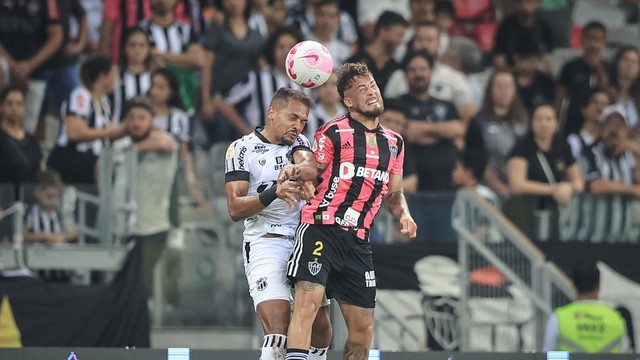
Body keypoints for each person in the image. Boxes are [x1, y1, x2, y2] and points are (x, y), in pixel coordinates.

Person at [285, 63, 417, 360]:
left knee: (363, 330)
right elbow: (315, 168)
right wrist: (298, 170)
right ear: (348, 101)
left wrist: (404, 214)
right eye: (362, 89)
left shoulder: (394, 143)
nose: (371, 92)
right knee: (308, 304)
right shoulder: (332, 132)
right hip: (322, 229)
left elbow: (394, 194)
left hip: (359, 241)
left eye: (372, 86)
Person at [224, 88, 332, 360]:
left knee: (321, 332)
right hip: (266, 242)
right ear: (271, 112)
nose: (297, 126)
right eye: (293, 118)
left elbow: (310, 167)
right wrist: (274, 190)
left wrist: (305, 178)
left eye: (303, 121)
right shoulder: (241, 148)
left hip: (305, 242)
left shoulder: (300, 144)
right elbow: (235, 208)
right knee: (278, 333)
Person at [113, 96, 178, 294]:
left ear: (152, 120)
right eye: (131, 117)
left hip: (153, 224)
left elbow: (164, 145)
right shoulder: (119, 146)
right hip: (121, 226)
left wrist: (132, 148)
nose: (135, 122)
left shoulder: (165, 140)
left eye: (142, 117)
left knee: (144, 280)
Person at [48, 56, 126, 185]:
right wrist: (107, 132)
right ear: (102, 77)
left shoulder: (105, 102)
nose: (117, 79)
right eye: (114, 74)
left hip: (95, 161)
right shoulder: (81, 95)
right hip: (73, 159)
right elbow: (74, 133)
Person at [0, 0, 63, 136]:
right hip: (5, 64)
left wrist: (30, 65)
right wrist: (11, 65)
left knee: (27, 128)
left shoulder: (48, 2)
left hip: (34, 69)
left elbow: (56, 36)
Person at [542, 258, 628, 353]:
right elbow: (624, 354)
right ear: (599, 285)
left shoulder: (558, 318)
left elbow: (547, 355)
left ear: (573, 285)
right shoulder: (616, 319)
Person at [149, 68, 204, 204]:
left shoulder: (179, 117)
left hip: (168, 171)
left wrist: (190, 176)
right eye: (153, 86)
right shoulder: (142, 113)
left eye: (161, 87)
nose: (155, 91)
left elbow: (184, 150)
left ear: (171, 91)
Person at [473, 70, 529, 198]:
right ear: (490, 90)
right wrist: (500, 187)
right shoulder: (479, 121)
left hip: (519, 185)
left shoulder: (524, 121)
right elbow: (477, 158)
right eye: (499, 86)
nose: (504, 91)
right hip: (487, 187)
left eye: (508, 86)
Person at [555, 21, 608, 137]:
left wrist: (598, 70)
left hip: (600, 128)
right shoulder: (570, 67)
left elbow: (611, 96)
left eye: (597, 40)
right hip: (572, 127)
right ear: (582, 40)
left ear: (604, 43)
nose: (593, 44)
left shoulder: (609, 68)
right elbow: (559, 99)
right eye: (589, 39)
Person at [23, 169, 78, 282]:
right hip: (37, 271)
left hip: (62, 271)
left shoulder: (62, 212)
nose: (52, 200)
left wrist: (62, 237)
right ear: (37, 193)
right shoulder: (30, 212)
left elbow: (73, 232)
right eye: (48, 195)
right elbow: (23, 234)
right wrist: (43, 236)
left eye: (55, 195)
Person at [347, 11, 408, 93]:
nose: (401, 41)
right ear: (383, 31)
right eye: (398, 35)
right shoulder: (354, 63)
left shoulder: (396, 67)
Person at [0, 86, 43, 194]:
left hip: (28, 198)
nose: (14, 108)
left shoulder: (32, 140)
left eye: (19, 104)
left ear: (24, 108)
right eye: (9, 103)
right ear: (1, 107)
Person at [112, 27, 153, 122]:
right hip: (117, 129)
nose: (137, 50)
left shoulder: (155, 77)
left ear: (148, 49)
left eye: (142, 45)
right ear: (124, 48)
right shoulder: (114, 75)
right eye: (132, 45)